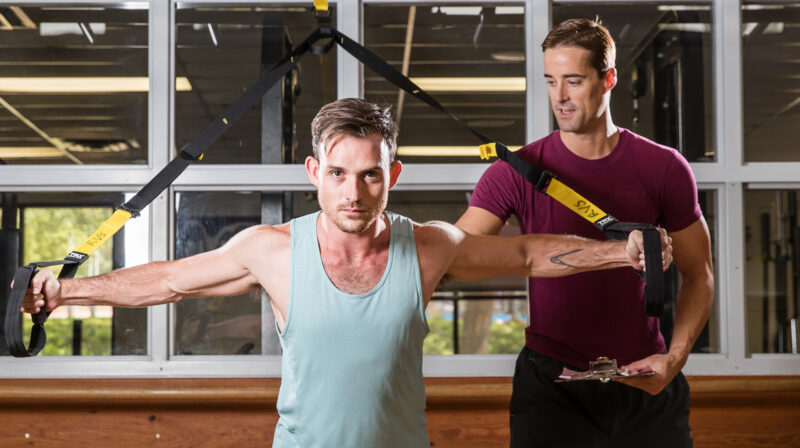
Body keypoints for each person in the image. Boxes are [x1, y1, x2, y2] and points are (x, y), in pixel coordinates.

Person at [21, 98, 671, 448]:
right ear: (313, 175)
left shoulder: (430, 248)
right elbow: (167, 280)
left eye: (368, 175)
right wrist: (65, 289)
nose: (353, 193)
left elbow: (527, 254)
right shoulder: (272, 250)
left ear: (391, 176)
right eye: (336, 174)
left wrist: (622, 252)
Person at [456, 19, 714, 447]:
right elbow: (457, 259)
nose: (560, 97)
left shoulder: (664, 168)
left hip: (644, 383)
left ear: (608, 78)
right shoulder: (514, 172)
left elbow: (699, 273)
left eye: (573, 81)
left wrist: (674, 358)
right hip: (552, 386)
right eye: (551, 81)